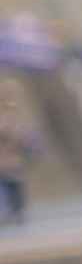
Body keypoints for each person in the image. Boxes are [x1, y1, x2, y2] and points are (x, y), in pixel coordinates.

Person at [0, 78, 35, 225]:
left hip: (13, 164)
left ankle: (16, 213)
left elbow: (24, 139)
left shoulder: (16, 117)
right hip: (7, 163)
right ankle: (12, 213)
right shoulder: (8, 118)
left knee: (14, 189)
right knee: (10, 189)